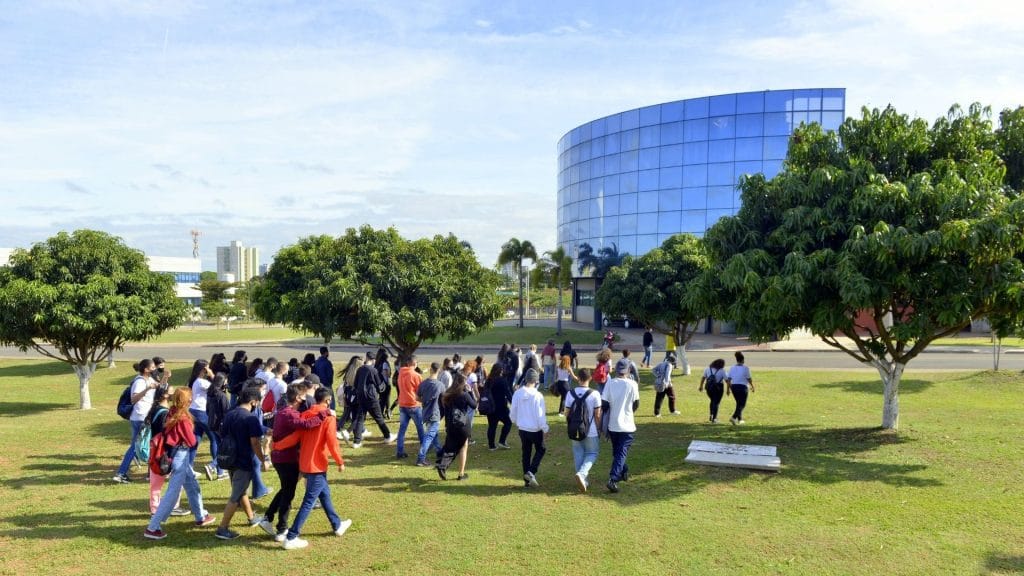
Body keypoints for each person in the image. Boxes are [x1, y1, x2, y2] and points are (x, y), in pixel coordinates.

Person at [274, 387, 350, 550]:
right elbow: (332, 442)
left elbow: (295, 437)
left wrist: (277, 445)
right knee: (309, 501)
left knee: (324, 494)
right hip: (317, 465)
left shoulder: (306, 414)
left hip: (305, 464)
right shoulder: (328, 417)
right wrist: (340, 461)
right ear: (328, 400)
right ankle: (292, 536)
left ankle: (337, 525)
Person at [257, 383, 327, 542]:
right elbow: (306, 425)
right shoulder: (289, 414)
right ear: (297, 398)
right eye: (304, 396)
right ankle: (281, 529)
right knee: (288, 494)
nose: (306, 399)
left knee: (286, 489)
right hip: (286, 459)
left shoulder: (284, 412)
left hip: (281, 458)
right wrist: (324, 414)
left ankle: (268, 517)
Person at [143, 387, 216, 540]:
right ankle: (153, 527)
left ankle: (201, 516)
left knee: (192, 485)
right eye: (190, 397)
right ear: (186, 400)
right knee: (172, 493)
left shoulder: (172, 411)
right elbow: (191, 441)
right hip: (180, 457)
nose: (192, 399)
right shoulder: (183, 418)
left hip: (178, 456)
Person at [213, 386, 268, 540]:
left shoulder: (230, 414)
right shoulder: (251, 418)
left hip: (229, 459)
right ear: (253, 402)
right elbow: (255, 443)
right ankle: (222, 528)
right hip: (243, 461)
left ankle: (251, 518)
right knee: (236, 496)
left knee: (241, 490)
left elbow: (223, 434)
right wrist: (263, 459)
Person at [115, 359, 166, 484]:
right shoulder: (139, 381)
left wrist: (165, 377)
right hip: (140, 417)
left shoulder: (149, 379)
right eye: (152, 367)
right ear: (146, 369)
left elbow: (159, 388)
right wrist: (147, 389)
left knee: (146, 444)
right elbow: (133, 399)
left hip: (146, 416)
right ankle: (121, 473)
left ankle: (150, 473)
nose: (155, 368)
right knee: (136, 446)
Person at [602, 358, 640, 494]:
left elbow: (604, 404)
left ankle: (623, 470)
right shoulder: (632, 384)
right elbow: (636, 404)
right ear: (628, 370)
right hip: (627, 425)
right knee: (620, 452)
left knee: (617, 452)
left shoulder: (610, 383)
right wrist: (628, 411)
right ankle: (613, 479)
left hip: (613, 424)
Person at [145, 383, 181, 514]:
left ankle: (154, 508)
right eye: (171, 391)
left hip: (154, 449)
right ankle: (173, 506)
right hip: (163, 451)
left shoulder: (155, 409)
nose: (174, 394)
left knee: (155, 484)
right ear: (165, 395)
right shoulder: (164, 413)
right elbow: (165, 434)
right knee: (177, 481)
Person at [564, 367, 601, 493]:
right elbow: (597, 415)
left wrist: (570, 424)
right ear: (590, 378)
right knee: (592, 453)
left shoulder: (570, 393)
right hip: (591, 430)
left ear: (578, 378)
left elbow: (566, 412)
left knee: (578, 452)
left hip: (575, 429)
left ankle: (583, 479)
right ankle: (582, 474)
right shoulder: (595, 394)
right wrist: (599, 428)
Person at [510, 369, 549, 488]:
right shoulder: (537, 395)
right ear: (536, 381)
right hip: (535, 429)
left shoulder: (518, 393)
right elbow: (540, 414)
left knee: (526, 453)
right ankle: (531, 472)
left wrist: (516, 421)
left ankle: (527, 481)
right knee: (541, 449)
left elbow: (513, 411)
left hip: (523, 428)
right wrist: (545, 428)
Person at [436, 372, 476, 481]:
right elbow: (474, 405)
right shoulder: (464, 395)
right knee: (463, 447)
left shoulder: (446, 395)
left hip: (450, 425)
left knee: (450, 447)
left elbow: (443, 411)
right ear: (463, 383)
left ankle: (442, 465)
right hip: (462, 425)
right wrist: (470, 392)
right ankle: (461, 474)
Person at [352, 354, 394, 448]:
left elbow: (355, 383)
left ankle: (356, 442)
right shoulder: (373, 370)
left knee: (360, 419)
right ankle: (387, 436)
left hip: (361, 397)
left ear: (367, 358)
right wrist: (383, 388)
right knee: (379, 418)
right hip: (371, 398)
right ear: (373, 360)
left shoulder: (360, 369)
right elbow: (379, 385)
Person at [186, 359, 217, 479]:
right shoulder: (201, 382)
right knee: (214, 438)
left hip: (193, 411)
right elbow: (217, 386)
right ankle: (216, 467)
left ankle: (189, 467)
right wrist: (212, 375)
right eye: (207, 368)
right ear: (204, 369)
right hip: (201, 412)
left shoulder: (194, 381)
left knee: (195, 440)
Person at [395, 355, 425, 459]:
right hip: (413, 404)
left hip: (403, 403)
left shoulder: (401, 373)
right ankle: (424, 448)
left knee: (402, 429)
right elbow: (420, 391)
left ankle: (399, 451)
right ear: (415, 363)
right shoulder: (416, 375)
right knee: (420, 428)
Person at [416, 362, 445, 466]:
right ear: (439, 371)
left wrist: (424, 400)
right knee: (429, 436)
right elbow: (444, 400)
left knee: (434, 434)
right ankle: (421, 458)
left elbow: (417, 397)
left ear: (430, 369)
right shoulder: (440, 385)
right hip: (435, 414)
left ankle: (440, 452)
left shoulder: (423, 383)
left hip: (426, 413)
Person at [205, 372, 231, 480]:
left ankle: (220, 473)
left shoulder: (210, 393)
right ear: (222, 382)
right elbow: (226, 412)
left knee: (220, 447)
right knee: (225, 449)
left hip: (212, 424)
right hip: (221, 425)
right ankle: (212, 465)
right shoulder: (222, 396)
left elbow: (207, 410)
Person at [483, 363, 512, 450]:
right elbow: (508, 394)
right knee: (508, 423)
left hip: (490, 406)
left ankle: (491, 445)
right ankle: (502, 441)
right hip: (501, 407)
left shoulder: (489, 380)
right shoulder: (502, 381)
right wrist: (513, 403)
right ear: (501, 370)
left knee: (492, 426)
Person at [336, 355, 362, 441]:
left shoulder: (349, 371)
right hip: (356, 396)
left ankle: (340, 429)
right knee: (358, 417)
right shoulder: (358, 373)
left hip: (348, 394)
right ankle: (348, 431)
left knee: (348, 413)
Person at [726, 351, 755, 425]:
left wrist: (728, 389)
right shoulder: (745, 368)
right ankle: (733, 417)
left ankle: (740, 419)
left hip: (734, 387)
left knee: (739, 403)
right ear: (743, 360)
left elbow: (729, 379)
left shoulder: (732, 368)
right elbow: (749, 379)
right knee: (742, 404)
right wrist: (752, 386)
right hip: (743, 387)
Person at [699, 358, 728, 423]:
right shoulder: (722, 371)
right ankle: (715, 418)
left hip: (709, 388)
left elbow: (703, 378)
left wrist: (701, 386)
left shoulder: (707, 369)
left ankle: (711, 415)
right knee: (716, 402)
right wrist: (729, 389)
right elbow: (727, 380)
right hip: (718, 388)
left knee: (712, 401)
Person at [313, 346, 336, 410]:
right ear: (326, 352)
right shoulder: (327, 362)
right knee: (330, 400)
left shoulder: (317, 362)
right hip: (327, 384)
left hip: (319, 383)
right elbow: (330, 374)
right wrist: (330, 382)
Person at [374, 348, 393, 420]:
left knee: (381, 398)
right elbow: (387, 374)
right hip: (385, 384)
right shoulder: (385, 363)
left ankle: (381, 413)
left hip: (379, 384)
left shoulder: (377, 363)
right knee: (386, 399)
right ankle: (386, 412)